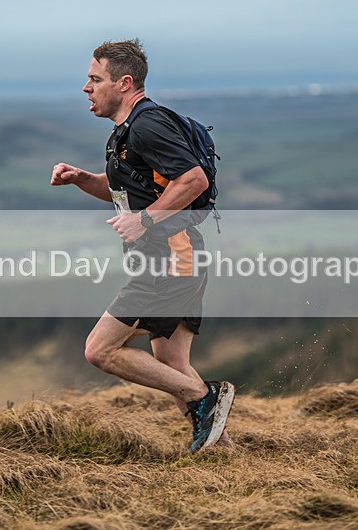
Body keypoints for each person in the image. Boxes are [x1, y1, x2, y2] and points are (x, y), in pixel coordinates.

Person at [50, 39, 234, 453]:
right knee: (172, 365)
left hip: (170, 258)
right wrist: (83, 178)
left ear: (125, 82)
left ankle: (206, 397)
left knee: (101, 350)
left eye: (95, 79)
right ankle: (222, 452)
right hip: (177, 257)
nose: (86, 87)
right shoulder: (127, 132)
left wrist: (145, 220)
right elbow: (130, 193)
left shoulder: (148, 125)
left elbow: (194, 181)